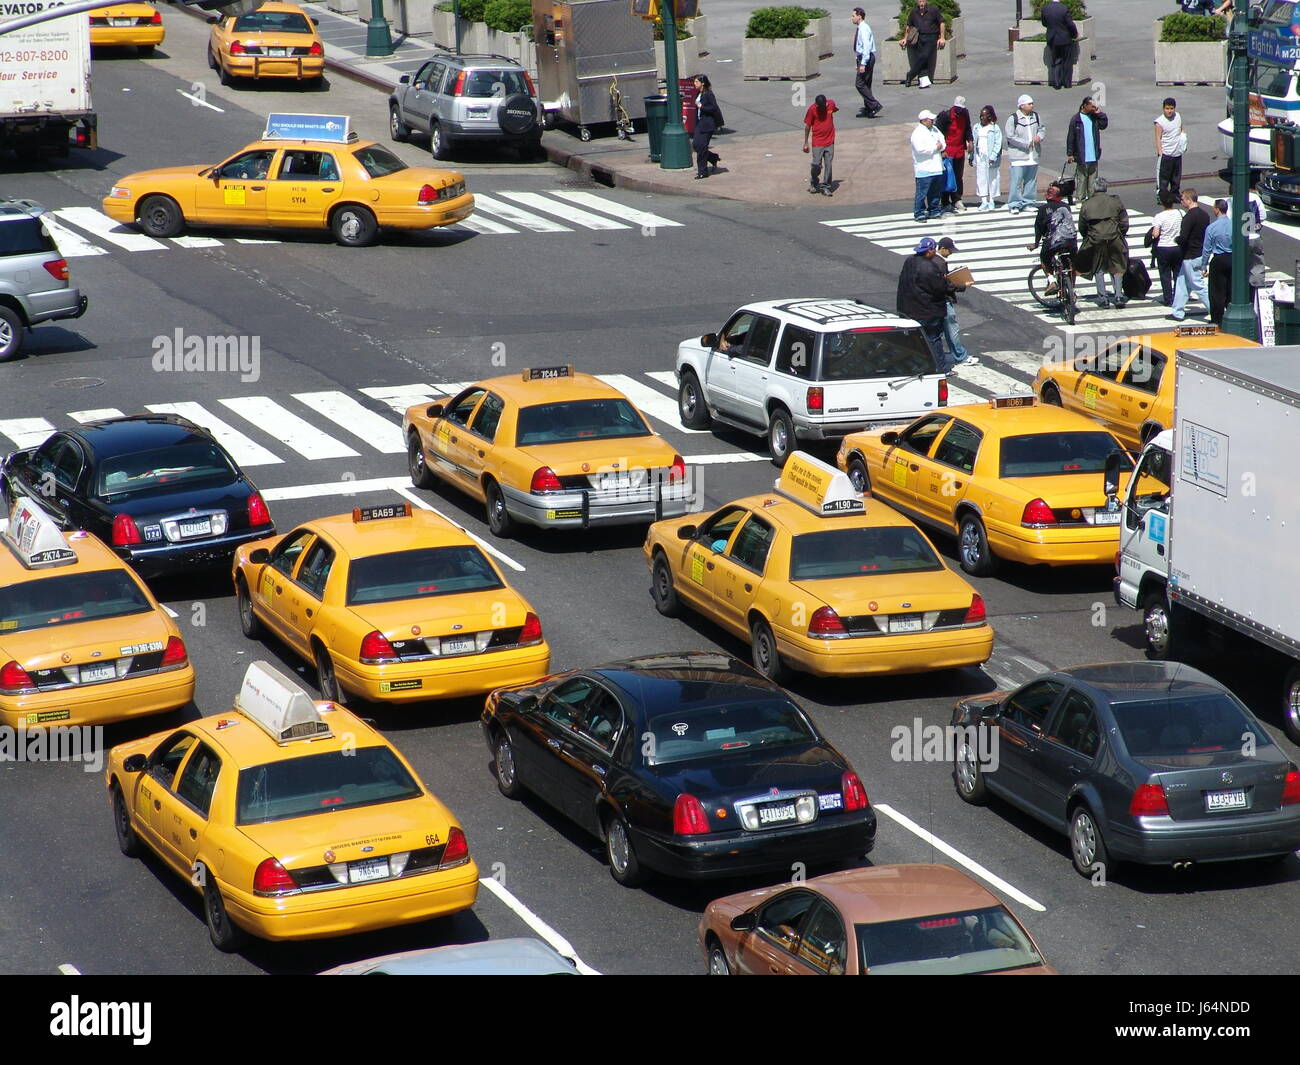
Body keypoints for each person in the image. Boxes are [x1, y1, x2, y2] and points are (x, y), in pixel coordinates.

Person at [896, 236, 957, 373]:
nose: (934, 253)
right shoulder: (929, 267)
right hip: (927, 310)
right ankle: (941, 368)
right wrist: (960, 285)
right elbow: (941, 287)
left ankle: (915, 366)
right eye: (933, 250)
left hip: (908, 309)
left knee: (914, 340)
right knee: (933, 339)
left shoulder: (909, 261)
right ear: (929, 251)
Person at [1078, 177, 1130, 309]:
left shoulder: (1087, 204)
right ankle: (1118, 296)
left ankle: (1103, 299)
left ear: (1094, 188)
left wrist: (1088, 237)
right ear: (1106, 188)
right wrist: (1121, 234)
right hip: (1114, 238)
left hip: (1096, 239)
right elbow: (1124, 222)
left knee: (1098, 268)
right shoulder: (1115, 201)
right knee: (1117, 266)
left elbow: (1082, 226)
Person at [1028, 183, 1077, 297]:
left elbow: (1039, 229)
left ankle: (1051, 281)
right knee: (1070, 265)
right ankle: (1072, 291)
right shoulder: (1066, 206)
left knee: (1044, 257)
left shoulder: (1043, 209)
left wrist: (1035, 244)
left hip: (1055, 240)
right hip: (1071, 240)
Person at [1170, 187, 1211, 320]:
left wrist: (1176, 240)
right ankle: (1177, 311)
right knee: (1182, 283)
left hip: (1190, 255)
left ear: (1188, 199)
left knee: (1198, 286)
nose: (1181, 202)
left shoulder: (1189, 217)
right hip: (1200, 252)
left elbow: (1183, 237)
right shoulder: (1205, 215)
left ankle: (1216, 310)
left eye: (1182, 199)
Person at [936, 237, 978, 367]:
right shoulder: (940, 263)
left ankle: (947, 356)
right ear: (942, 249)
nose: (951, 253)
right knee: (951, 329)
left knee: (937, 332)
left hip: (934, 302)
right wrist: (963, 285)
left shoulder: (933, 261)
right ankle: (961, 357)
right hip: (943, 301)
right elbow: (945, 285)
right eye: (950, 250)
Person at [1005, 94, 1044, 213]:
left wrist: (1039, 137)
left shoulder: (1036, 116)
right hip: (1018, 156)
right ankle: (1014, 204)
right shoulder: (1013, 118)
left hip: (1033, 155)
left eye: (1032, 103)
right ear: (1022, 105)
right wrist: (1026, 143)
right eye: (1029, 103)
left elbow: (1042, 129)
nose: (1032, 105)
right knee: (1016, 181)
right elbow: (1010, 136)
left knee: (1031, 180)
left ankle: (1028, 202)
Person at [936, 96, 974, 213]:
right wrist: (942, 150)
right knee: (947, 176)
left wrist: (970, 141)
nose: (959, 111)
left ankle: (957, 199)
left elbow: (967, 129)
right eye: (957, 109)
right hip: (948, 151)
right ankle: (945, 201)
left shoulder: (965, 114)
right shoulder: (945, 116)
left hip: (959, 150)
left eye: (961, 109)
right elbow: (938, 133)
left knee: (958, 176)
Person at [1066, 97, 1107, 203]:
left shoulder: (1094, 117)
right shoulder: (1076, 119)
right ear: (1085, 105)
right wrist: (1070, 153)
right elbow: (1071, 137)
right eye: (1092, 106)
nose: (1094, 108)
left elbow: (1104, 125)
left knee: (1093, 180)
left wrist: (1099, 113)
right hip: (1081, 154)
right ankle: (1080, 199)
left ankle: (1092, 199)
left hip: (1093, 154)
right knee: (1082, 179)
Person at [1148, 191, 1184, 306]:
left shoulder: (1159, 217)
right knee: (1178, 273)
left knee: (1165, 274)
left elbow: (1156, 234)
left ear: (1162, 203)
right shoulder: (1180, 213)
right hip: (1177, 247)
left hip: (1163, 248)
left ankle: (1168, 299)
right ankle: (1178, 296)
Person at [911, 109, 946, 221]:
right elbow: (920, 149)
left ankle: (934, 210)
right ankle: (919, 212)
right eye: (931, 119)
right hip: (924, 168)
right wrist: (935, 147)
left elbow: (943, 141)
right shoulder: (917, 133)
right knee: (922, 192)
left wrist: (941, 146)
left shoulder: (935, 129)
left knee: (935, 192)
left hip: (936, 166)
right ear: (924, 120)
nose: (933, 121)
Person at [1202, 197, 1233, 324]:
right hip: (1233, 258)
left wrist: (1203, 266)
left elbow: (1206, 249)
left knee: (1216, 292)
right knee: (1231, 289)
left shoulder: (1212, 228)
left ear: (1217, 209)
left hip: (1218, 260)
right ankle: (1231, 315)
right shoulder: (1235, 224)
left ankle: (1217, 319)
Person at [903, 0, 946, 89]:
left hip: (931, 37)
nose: (921, 3)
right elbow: (908, 26)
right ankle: (923, 80)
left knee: (925, 55)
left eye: (923, 1)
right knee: (922, 59)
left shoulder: (933, 10)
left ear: (926, 1)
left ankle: (910, 75)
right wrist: (905, 38)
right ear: (917, 2)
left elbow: (941, 23)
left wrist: (942, 37)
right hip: (919, 37)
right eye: (919, 1)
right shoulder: (914, 12)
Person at [803, 94, 838, 195]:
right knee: (816, 165)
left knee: (828, 165)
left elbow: (834, 110)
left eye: (824, 106)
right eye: (820, 107)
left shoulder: (831, 104)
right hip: (817, 142)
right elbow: (807, 126)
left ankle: (826, 186)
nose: (822, 108)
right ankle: (814, 182)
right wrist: (805, 142)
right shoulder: (812, 109)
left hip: (830, 141)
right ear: (817, 105)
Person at [1040, 0, 1079, 90]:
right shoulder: (1064, 8)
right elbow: (1070, 24)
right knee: (1067, 61)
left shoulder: (1045, 8)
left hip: (1052, 38)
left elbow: (1044, 23)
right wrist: (1074, 34)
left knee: (1056, 61)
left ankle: (1056, 83)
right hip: (1064, 38)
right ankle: (1067, 83)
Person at [851, 7, 881, 118]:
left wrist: (863, 63)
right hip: (863, 57)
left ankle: (874, 105)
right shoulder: (861, 27)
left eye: (853, 16)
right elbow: (861, 46)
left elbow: (866, 47)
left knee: (859, 84)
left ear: (859, 16)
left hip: (866, 58)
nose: (852, 18)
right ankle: (869, 108)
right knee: (866, 83)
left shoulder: (863, 29)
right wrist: (858, 60)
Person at [1154, 98, 1186, 203]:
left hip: (1177, 153)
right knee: (1163, 178)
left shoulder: (1178, 116)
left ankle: (1174, 195)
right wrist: (1160, 152)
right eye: (1167, 108)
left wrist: (1183, 143)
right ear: (1163, 108)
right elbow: (1158, 138)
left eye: (1171, 108)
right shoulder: (1159, 122)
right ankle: (1161, 196)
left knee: (1176, 177)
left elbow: (1181, 130)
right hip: (1166, 154)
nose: (1169, 111)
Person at [691, 75, 723, 180]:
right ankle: (713, 157)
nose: (694, 84)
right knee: (696, 145)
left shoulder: (709, 94)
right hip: (700, 123)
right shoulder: (698, 93)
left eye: (696, 82)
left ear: (702, 83)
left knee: (702, 147)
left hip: (707, 124)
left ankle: (702, 172)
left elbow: (713, 108)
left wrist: (702, 107)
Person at [972, 105, 1003, 211]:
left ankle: (991, 200)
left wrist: (993, 156)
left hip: (990, 157)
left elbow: (998, 143)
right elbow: (974, 142)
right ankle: (984, 200)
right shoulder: (976, 127)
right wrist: (971, 156)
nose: (982, 118)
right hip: (980, 156)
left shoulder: (995, 128)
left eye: (984, 115)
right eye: (981, 115)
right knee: (981, 178)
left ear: (990, 116)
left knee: (992, 178)